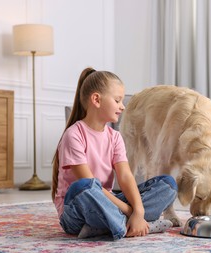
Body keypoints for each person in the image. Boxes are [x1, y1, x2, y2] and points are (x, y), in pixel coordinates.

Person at [51, 67, 178, 240]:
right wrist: (131, 211)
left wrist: (139, 211)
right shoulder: (74, 134)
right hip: (77, 212)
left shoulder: (115, 137)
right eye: (117, 100)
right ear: (96, 99)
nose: (123, 106)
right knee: (84, 187)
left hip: (107, 203)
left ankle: (106, 226)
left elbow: (125, 176)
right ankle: (130, 224)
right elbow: (90, 186)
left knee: (167, 183)